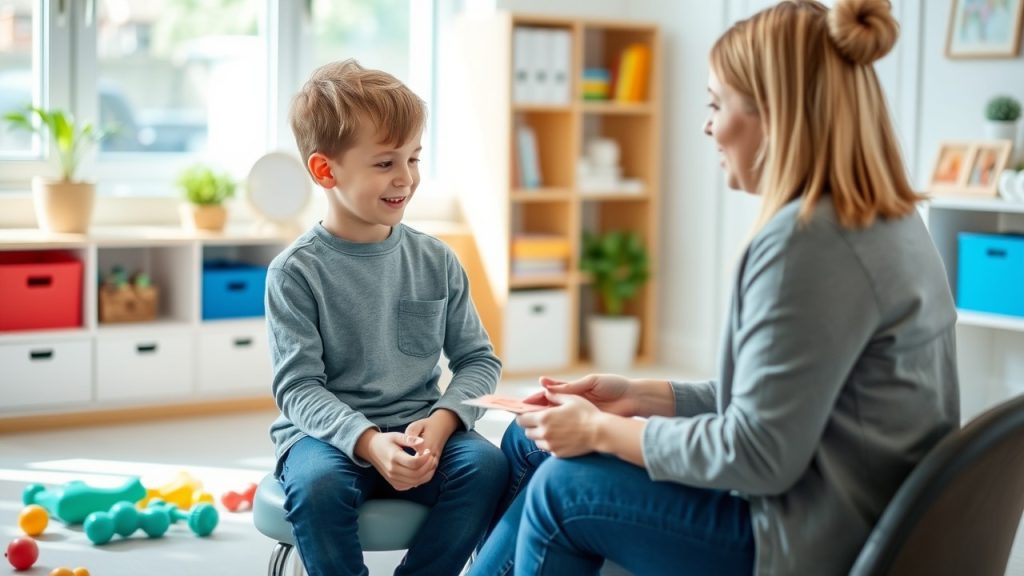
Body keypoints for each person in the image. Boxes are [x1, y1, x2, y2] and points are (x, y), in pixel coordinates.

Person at [470, 1, 960, 575]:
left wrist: (603, 430)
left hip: (812, 539)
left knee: (565, 487)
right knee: (533, 445)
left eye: (716, 104)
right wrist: (641, 395)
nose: (707, 125)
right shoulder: (888, 221)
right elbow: (783, 400)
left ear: (776, 116)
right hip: (851, 506)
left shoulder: (807, 245)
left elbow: (757, 455)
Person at [266, 59, 507, 576]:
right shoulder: (294, 272)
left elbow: (478, 360)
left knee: (487, 467)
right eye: (385, 163)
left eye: (414, 158)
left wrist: (443, 424)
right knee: (318, 486)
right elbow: (298, 388)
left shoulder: (436, 259)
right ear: (325, 170)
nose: (406, 178)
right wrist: (368, 441)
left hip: (420, 428)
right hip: (325, 438)